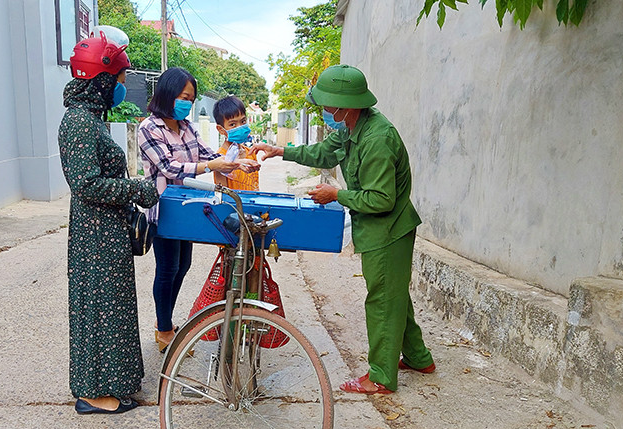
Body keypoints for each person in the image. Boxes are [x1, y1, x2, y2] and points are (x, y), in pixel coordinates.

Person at [250, 64, 435, 395]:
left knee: (382, 301)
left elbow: (381, 199)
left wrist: (336, 194)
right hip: (378, 229)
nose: (326, 111)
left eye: (328, 106)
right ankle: (419, 358)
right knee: (393, 296)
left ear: (345, 105)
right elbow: (323, 152)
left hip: (389, 230)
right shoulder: (353, 127)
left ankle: (380, 376)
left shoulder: (377, 138)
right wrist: (281, 150)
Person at [58, 26, 159, 414]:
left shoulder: (93, 119)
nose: (121, 86)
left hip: (107, 231)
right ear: (100, 80)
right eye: (118, 79)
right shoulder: (80, 122)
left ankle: (113, 383)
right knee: (98, 311)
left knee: (111, 308)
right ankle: (92, 393)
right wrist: (137, 189)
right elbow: (86, 184)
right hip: (94, 235)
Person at [137, 68, 259, 353]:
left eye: (190, 99)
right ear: (167, 94)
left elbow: (209, 155)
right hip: (164, 207)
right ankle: (164, 329)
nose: (187, 104)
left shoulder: (187, 127)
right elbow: (169, 167)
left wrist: (237, 163)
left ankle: (164, 323)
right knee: (167, 268)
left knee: (183, 266)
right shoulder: (149, 128)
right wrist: (211, 167)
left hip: (186, 208)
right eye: (183, 97)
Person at [212, 96, 259, 191]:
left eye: (243, 121)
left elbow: (255, 185)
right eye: (232, 124)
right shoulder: (219, 159)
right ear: (221, 129)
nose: (240, 127)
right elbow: (223, 194)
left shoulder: (250, 152)